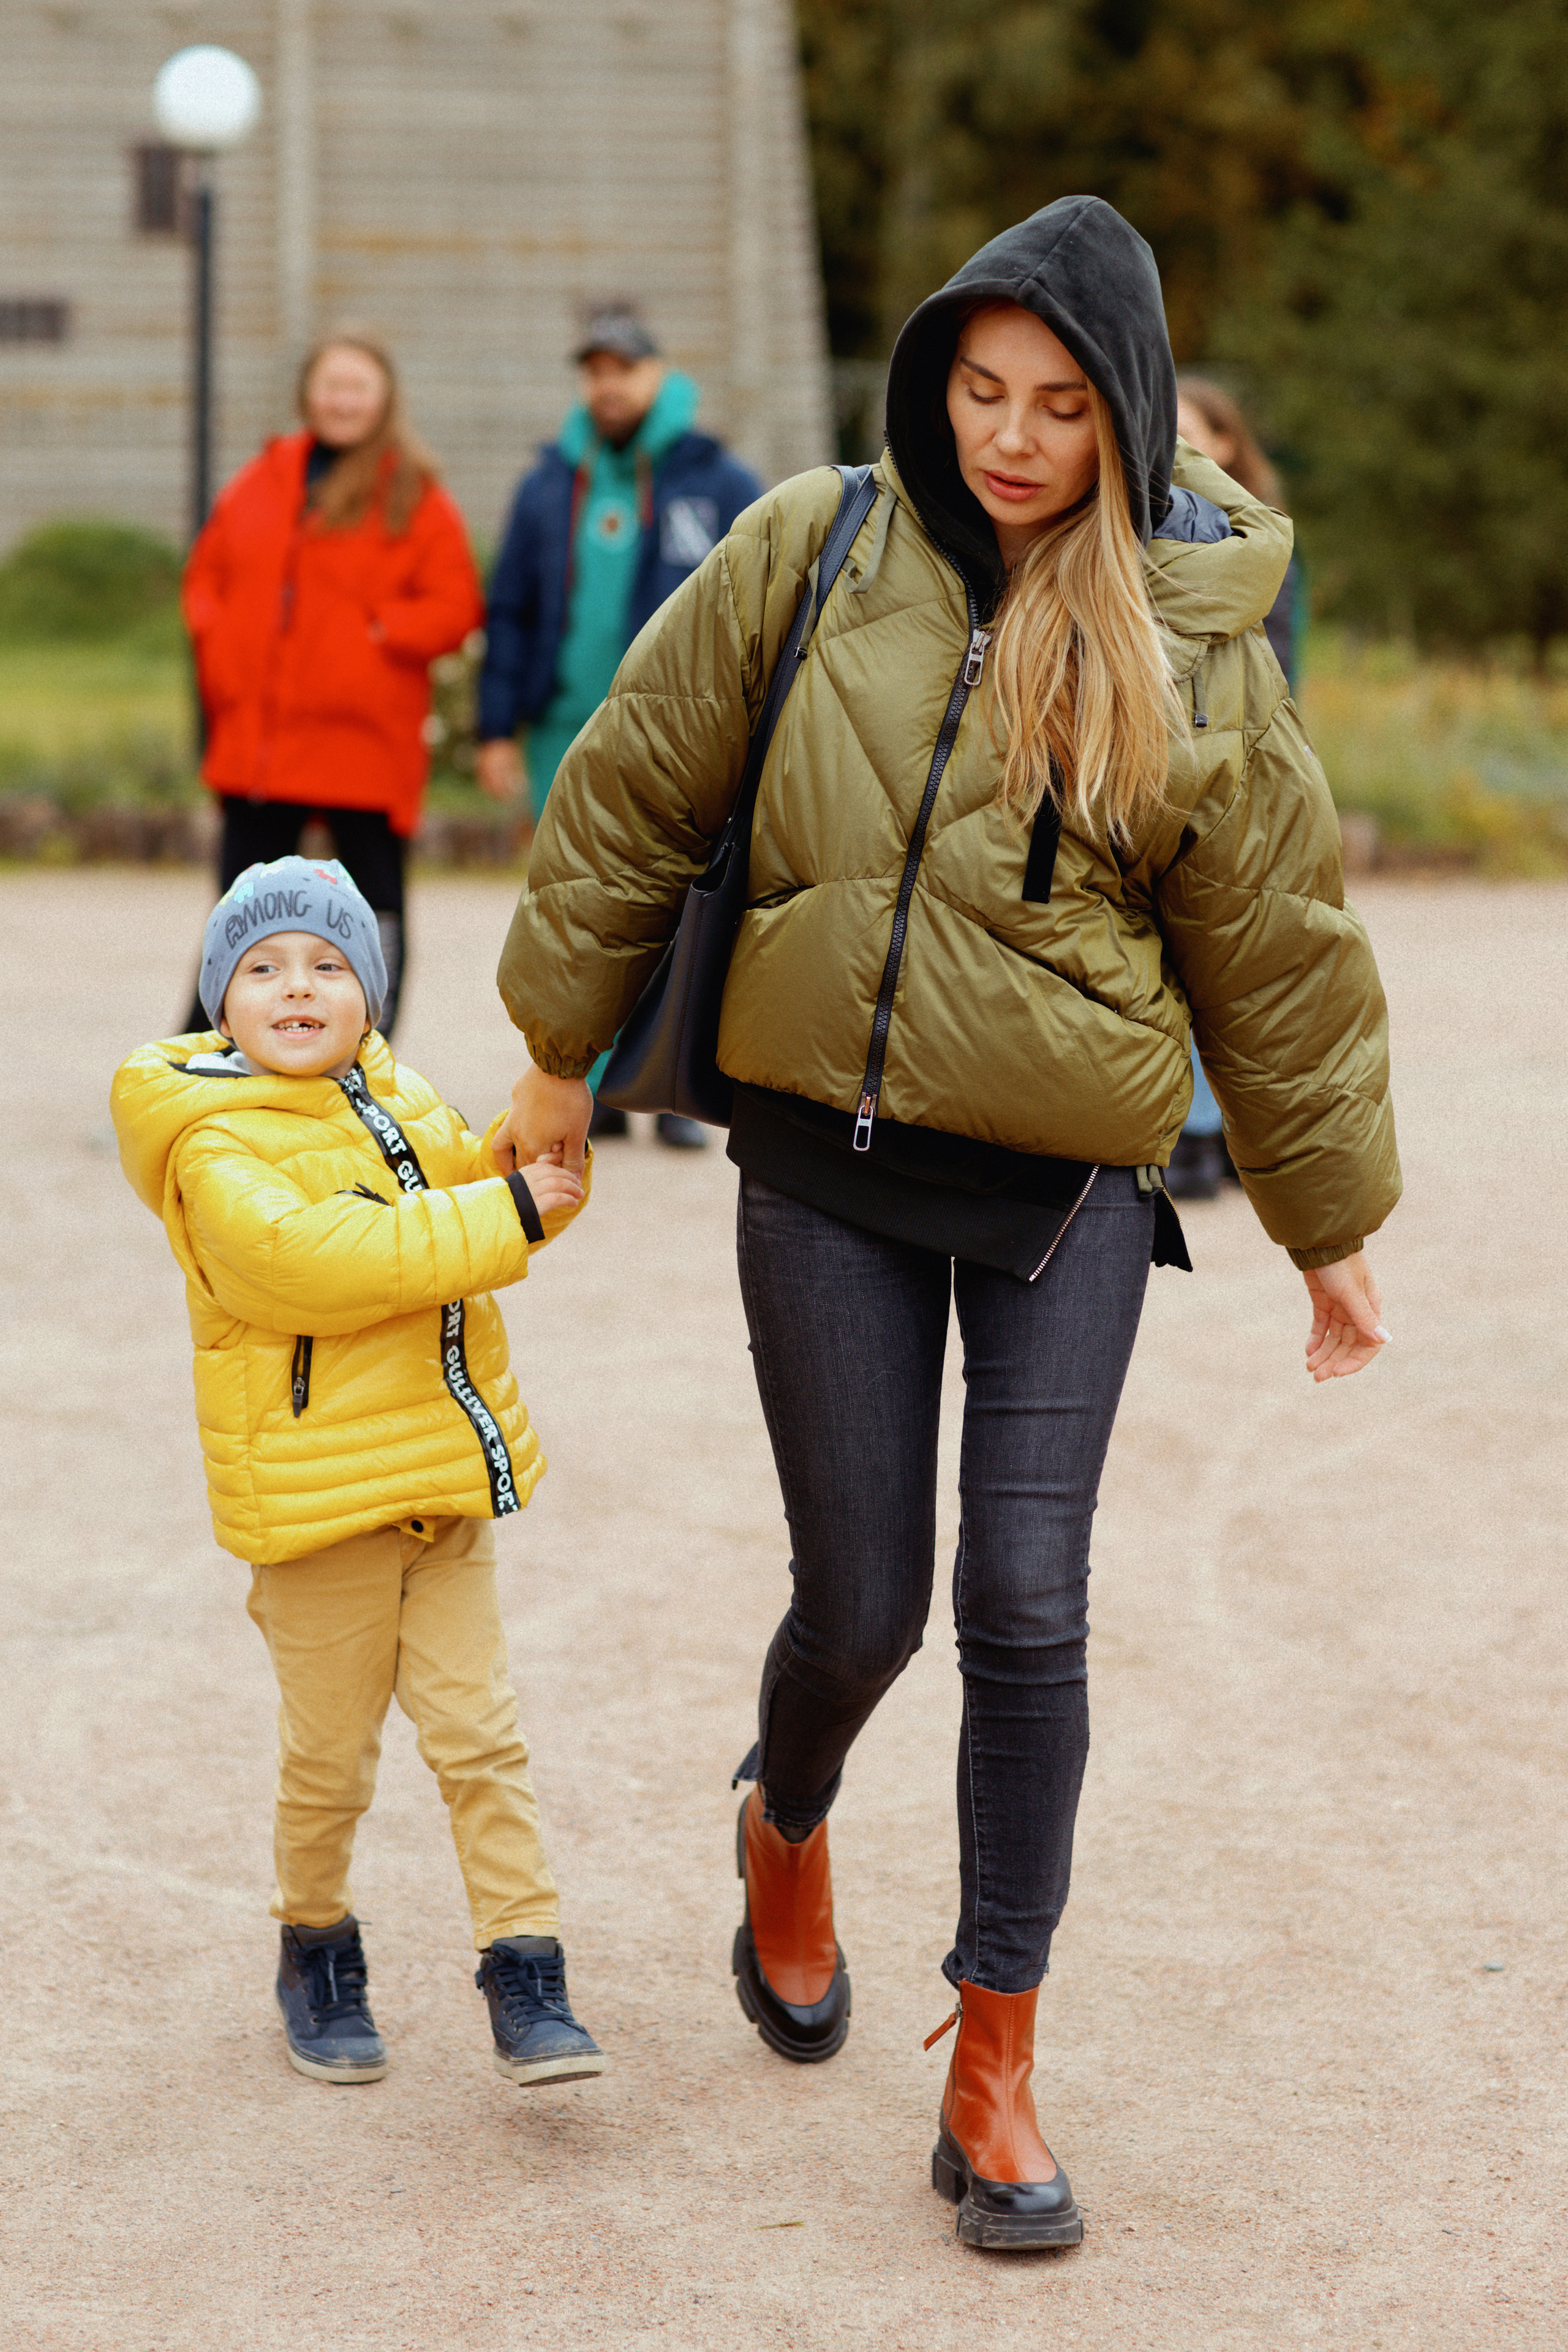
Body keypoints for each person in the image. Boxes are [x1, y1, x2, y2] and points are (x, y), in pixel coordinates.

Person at [492, 196, 1400, 2250]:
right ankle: (785, 1813)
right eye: (980, 392)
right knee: (871, 1604)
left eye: (1058, 407)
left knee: (1030, 1604)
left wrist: (1324, 1214)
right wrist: (557, 1047)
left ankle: (993, 2060)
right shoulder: (812, 545)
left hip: (1070, 1190)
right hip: (825, 1159)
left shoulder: (1196, 633)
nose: (1008, 438)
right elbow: (635, 783)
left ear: (1130, 416)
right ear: (934, 384)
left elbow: (1276, 942)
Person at [112, 856, 603, 2093]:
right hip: (322, 1513)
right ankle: (315, 1943)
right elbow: (311, 1261)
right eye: (264, 967)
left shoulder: (393, 1099)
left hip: (436, 1490)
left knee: (481, 1737)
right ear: (219, 1005)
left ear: (369, 1001)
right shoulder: (215, 1148)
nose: (297, 986)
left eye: (330, 966)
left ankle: (523, 1967)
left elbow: (469, 1198)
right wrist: (512, 1222)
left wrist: (524, 1158)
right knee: (331, 1762)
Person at [475, 307, 763, 1149]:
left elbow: (761, 602)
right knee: (575, 907)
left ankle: (672, 1088)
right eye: (595, 370)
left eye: (624, 368)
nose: (609, 385)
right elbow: (512, 610)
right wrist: (495, 728)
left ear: (660, 374)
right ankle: (585, 1082)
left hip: (682, 731)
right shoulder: (546, 485)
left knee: (682, 903)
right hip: (561, 726)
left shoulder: (720, 483)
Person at [181, 330, 486, 1039]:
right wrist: (220, 649)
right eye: (331, 385)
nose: (342, 400)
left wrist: (376, 632)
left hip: (362, 747)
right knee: (239, 912)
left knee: (375, 909)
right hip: (264, 743)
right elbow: (207, 577)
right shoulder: (264, 478)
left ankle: (367, 1059)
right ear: (307, 393)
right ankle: (209, 1053)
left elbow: (454, 605)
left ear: (383, 398)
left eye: (358, 387)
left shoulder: (413, 491)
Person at [1166, 375, 1305, 1199]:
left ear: (1225, 445)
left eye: (1194, 432)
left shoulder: (1265, 543)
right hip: (1166, 773)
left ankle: (1228, 1134)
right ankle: (1193, 1131)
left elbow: (1279, 670)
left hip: (1241, 771)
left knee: (1238, 973)